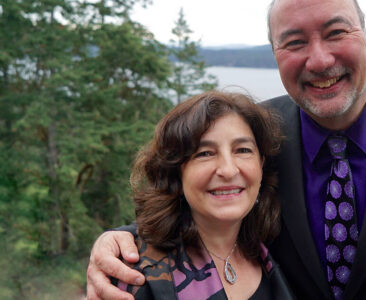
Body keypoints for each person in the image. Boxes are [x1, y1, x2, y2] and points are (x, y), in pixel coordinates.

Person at [87, 0, 366, 299]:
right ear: (274, 54)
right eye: (294, 41)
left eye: (336, 32)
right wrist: (122, 241)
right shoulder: (256, 139)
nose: (320, 60)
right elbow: (196, 203)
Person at [109, 91, 294, 299]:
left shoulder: (275, 251)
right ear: (176, 172)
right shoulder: (135, 274)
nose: (228, 170)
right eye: (205, 153)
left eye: (242, 150)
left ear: (261, 164)